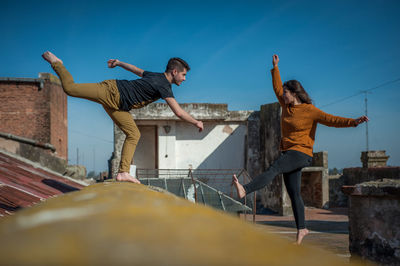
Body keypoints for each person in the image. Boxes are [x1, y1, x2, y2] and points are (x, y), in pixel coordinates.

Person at [232, 54, 368, 245]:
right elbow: (277, 87)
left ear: (294, 93)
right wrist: (276, 67)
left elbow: (332, 120)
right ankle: (302, 228)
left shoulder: (310, 110)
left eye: (286, 92)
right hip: (289, 152)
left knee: (274, 169)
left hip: (302, 152)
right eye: (284, 93)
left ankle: (245, 190)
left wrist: (353, 122)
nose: (283, 95)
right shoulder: (286, 107)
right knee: (294, 192)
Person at [42, 51, 203, 184]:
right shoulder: (164, 86)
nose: (184, 78)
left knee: (134, 134)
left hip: (119, 106)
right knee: (71, 89)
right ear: (175, 72)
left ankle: (123, 173)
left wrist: (119, 62)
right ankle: (57, 63)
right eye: (183, 75)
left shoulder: (155, 76)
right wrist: (196, 122)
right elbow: (179, 112)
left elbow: (135, 69)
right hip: (111, 91)